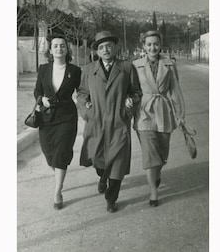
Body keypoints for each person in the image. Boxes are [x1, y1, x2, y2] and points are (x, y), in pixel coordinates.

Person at [77, 30, 141, 213]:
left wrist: (130, 103)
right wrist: (87, 111)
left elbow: (136, 92)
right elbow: (82, 93)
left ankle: (111, 198)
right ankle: (102, 176)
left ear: (115, 48)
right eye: (101, 47)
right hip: (96, 122)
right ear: (97, 51)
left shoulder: (127, 68)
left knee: (118, 162)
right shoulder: (89, 70)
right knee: (99, 160)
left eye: (109, 46)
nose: (105, 50)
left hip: (118, 122)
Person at [132, 30, 185, 207]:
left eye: (155, 44)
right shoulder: (136, 65)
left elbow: (175, 91)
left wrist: (180, 115)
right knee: (149, 154)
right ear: (144, 47)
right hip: (144, 113)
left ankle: (157, 173)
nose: (152, 47)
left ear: (160, 45)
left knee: (162, 154)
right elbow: (131, 90)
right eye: (149, 44)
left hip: (163, 111)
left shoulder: (169, 64)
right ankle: (153, 192)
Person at [34, 33, 81, 210]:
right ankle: (59, 175)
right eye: (55, 46)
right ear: (50, 50)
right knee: (49, 153)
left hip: (67, 118)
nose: (59, 48)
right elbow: (37, 91)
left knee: (61, 152)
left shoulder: (75, 71)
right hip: (47, 118)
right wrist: (41, 100)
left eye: (62, 45)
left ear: (67, 48)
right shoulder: (43, 69)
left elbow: (82, 91)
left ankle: (57, 191)